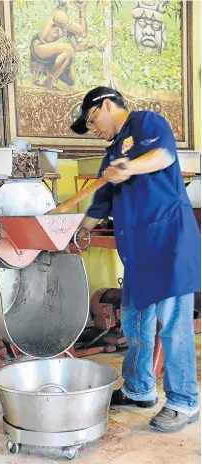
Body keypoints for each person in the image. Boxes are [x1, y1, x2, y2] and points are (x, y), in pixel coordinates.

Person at [70, 86, 201, 433]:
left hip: (168, 242)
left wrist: (129, 167)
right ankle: (139, 389)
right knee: (135, 322)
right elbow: (101, 200)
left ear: (107, 105)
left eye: (91, 119)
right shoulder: (111, 151)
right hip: (139, 250)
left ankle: (184, 402)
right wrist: (81, 229)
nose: (93, 128)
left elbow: (164, 156)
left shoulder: (145, 122)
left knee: (173, 326)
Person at [30, 0, 96, 90]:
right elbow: (83, 33)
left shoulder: (65, 23)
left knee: (71, 80)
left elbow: (76, 47)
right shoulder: (59, 14)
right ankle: (51, 80)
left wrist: (89, 45)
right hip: (39, 48)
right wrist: (82, 10)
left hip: (48, 53)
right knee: (68, 50)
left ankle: (50, 76)